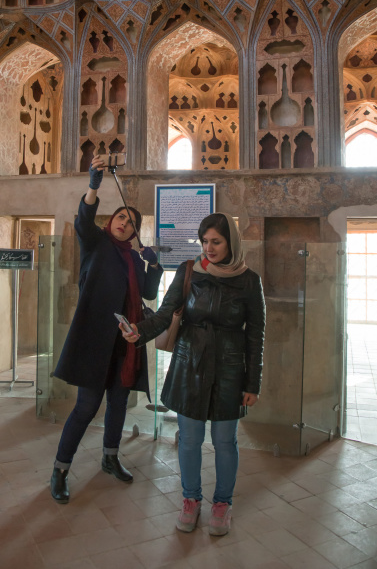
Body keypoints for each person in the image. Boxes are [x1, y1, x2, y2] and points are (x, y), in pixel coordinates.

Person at [121, 212, 265, 536]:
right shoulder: (189, 271)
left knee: (225, 441)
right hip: (190, 364)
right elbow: (163, 315)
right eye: (204, 242)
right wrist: (137, 332)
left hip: (230, 368)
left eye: (216, 241)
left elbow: (256, 334)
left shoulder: (248, 280)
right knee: (189, 440)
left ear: (231, 242)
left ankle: (222, 503)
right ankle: (190, 499)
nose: (209, 248)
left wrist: (253, 382)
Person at [50, 154, 163, 503]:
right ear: (111, 220)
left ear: (134, 232)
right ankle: (60, 470)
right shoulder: (95, 242)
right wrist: (93, 186)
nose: (123, 224)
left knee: (118, 402)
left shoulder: (132, 257)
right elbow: (83, 219)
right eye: (120, 218)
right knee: (86, 407)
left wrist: (155, 266)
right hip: (94, 340)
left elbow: (147, 293)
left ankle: (110, 457)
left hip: (125, 341)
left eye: (130, 223)